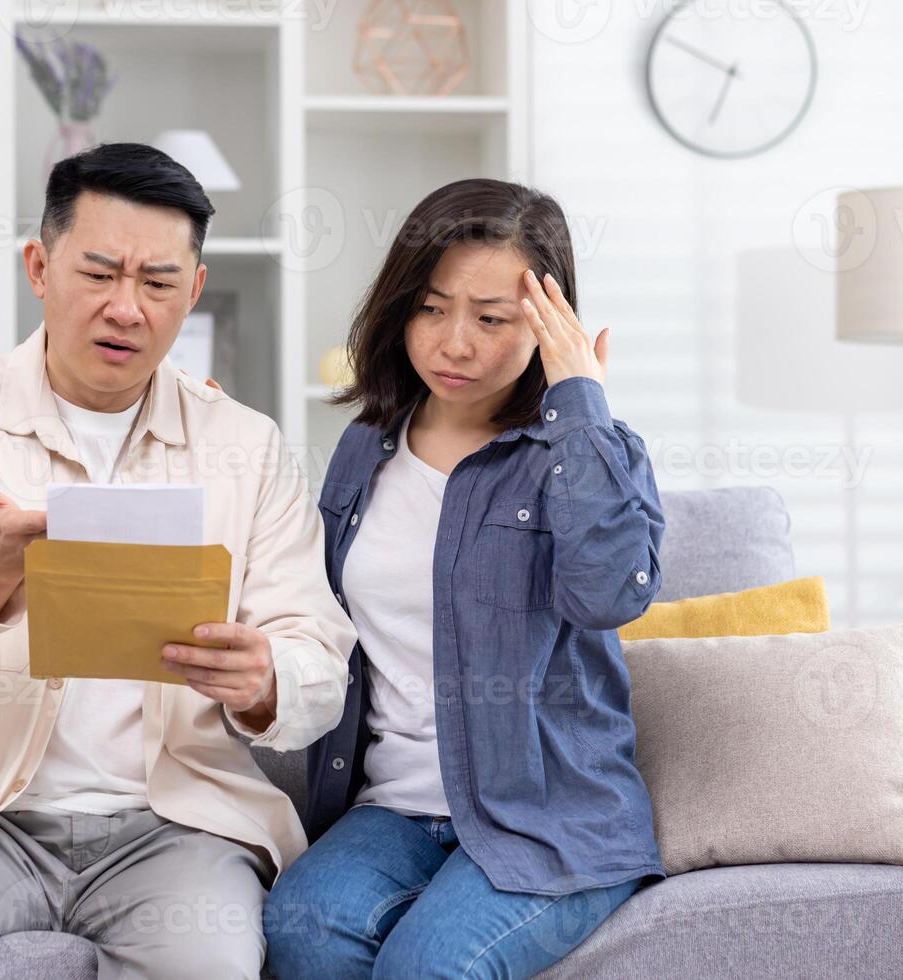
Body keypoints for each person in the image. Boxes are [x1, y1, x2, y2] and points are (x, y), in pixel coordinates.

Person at [0, 142, 356, 979]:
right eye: (98, 273)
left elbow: (320, 664)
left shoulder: (248, 447)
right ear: (39, 265)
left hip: (175, 827)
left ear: (194, 291)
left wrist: (268, 678)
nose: (127, 308)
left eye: (158, 283)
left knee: (209, 962)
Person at [264, 178, 668, 979]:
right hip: (390, 809)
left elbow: (608, 593)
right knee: (303, 927)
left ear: (552, 324)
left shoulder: (586, 449)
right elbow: (310, 607)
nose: (455, 343)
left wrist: (579, 404)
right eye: (431, 308)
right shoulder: (365, 444)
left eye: (491, 319)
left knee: (427, 967)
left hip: (549, 817)